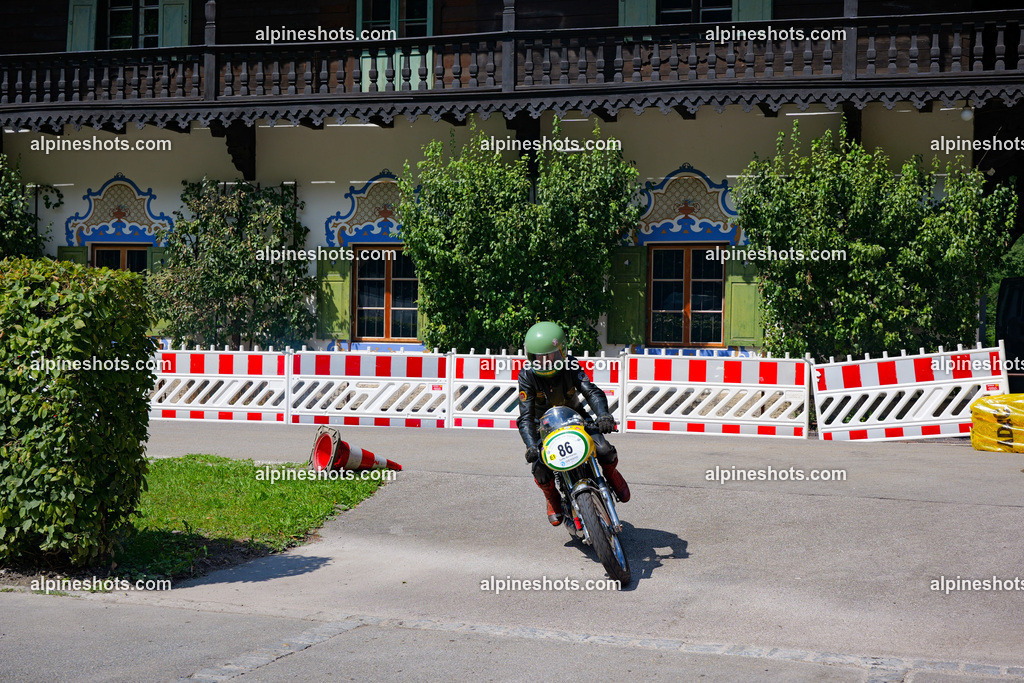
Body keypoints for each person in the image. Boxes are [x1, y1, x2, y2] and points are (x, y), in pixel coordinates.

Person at [516, 321, 630, 526]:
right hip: (544, 429)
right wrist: (531, 445)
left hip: (576, 418)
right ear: (530, 356)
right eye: (539, 358)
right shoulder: (527, 375)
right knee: (540, 469)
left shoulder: (571, 365)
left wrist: (603, 415)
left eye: (550, 355)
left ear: (562, 351)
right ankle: (552, 497)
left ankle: (611, 474)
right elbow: (525, 416)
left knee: (604, 449)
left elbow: (591, 391)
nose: (545, 362)